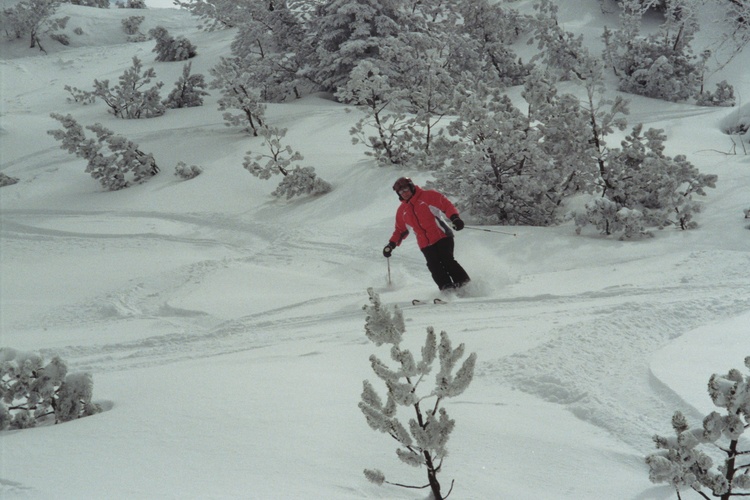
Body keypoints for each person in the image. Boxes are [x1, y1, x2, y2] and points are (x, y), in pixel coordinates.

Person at [382, 177, 471, 291]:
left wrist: (455, 218)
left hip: (442, 235)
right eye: (400, 191)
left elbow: (446, 205)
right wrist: (391, 245)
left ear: (411, 187)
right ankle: (447, 290)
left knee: (447, 260)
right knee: (434, 266)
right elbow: (400, 230)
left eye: (405, 189)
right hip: (425, 243)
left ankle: (465, 287)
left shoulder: (428, 196)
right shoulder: (402, 210)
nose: (404, 193)